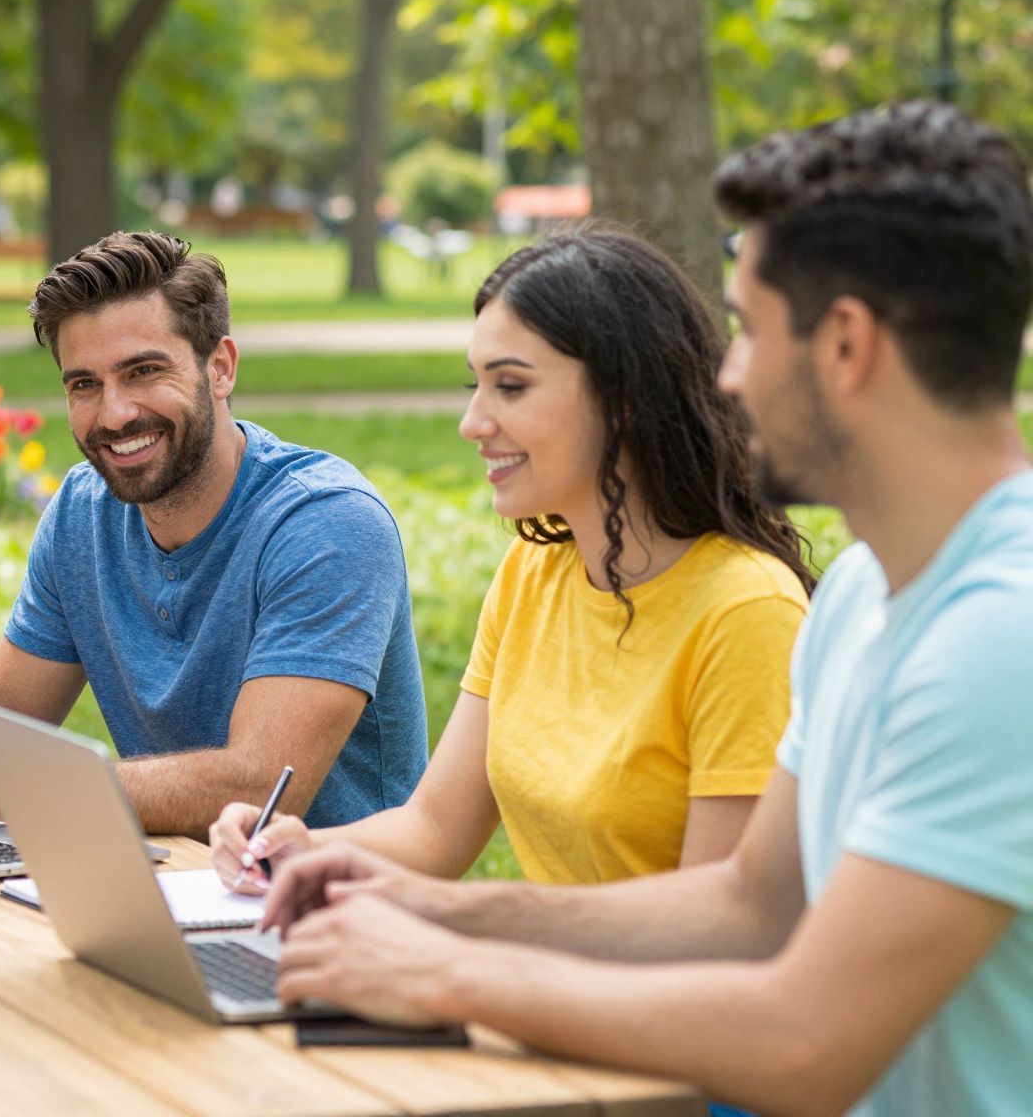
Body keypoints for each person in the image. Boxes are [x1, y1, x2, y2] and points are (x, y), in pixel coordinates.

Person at [259, 102, 1033, 1117]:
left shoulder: (998, 638)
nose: (727, 375)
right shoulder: (859, 592)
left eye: (750, 330)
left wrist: (450, 973)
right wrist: (430, 906)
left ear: (845, 345)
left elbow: (806, 1046)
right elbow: (748, 905)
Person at [208, 227, 812, 893]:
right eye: (477, 384)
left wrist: (468, 935)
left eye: (511, 386)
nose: (472, 422)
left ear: (627, 400)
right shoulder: (535, 569)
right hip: (521, 955)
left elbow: (713, 926)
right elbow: (436, 828)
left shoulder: (748, 613)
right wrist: (299, 848)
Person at [0, 231, 427, 836]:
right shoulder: (82, 514)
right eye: (84, 384)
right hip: (166, 874)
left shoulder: (327, 523)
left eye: (143, 372)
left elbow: (261, 789)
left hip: (323, 888)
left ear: (219, 369)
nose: (114, 414)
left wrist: (25, 782)